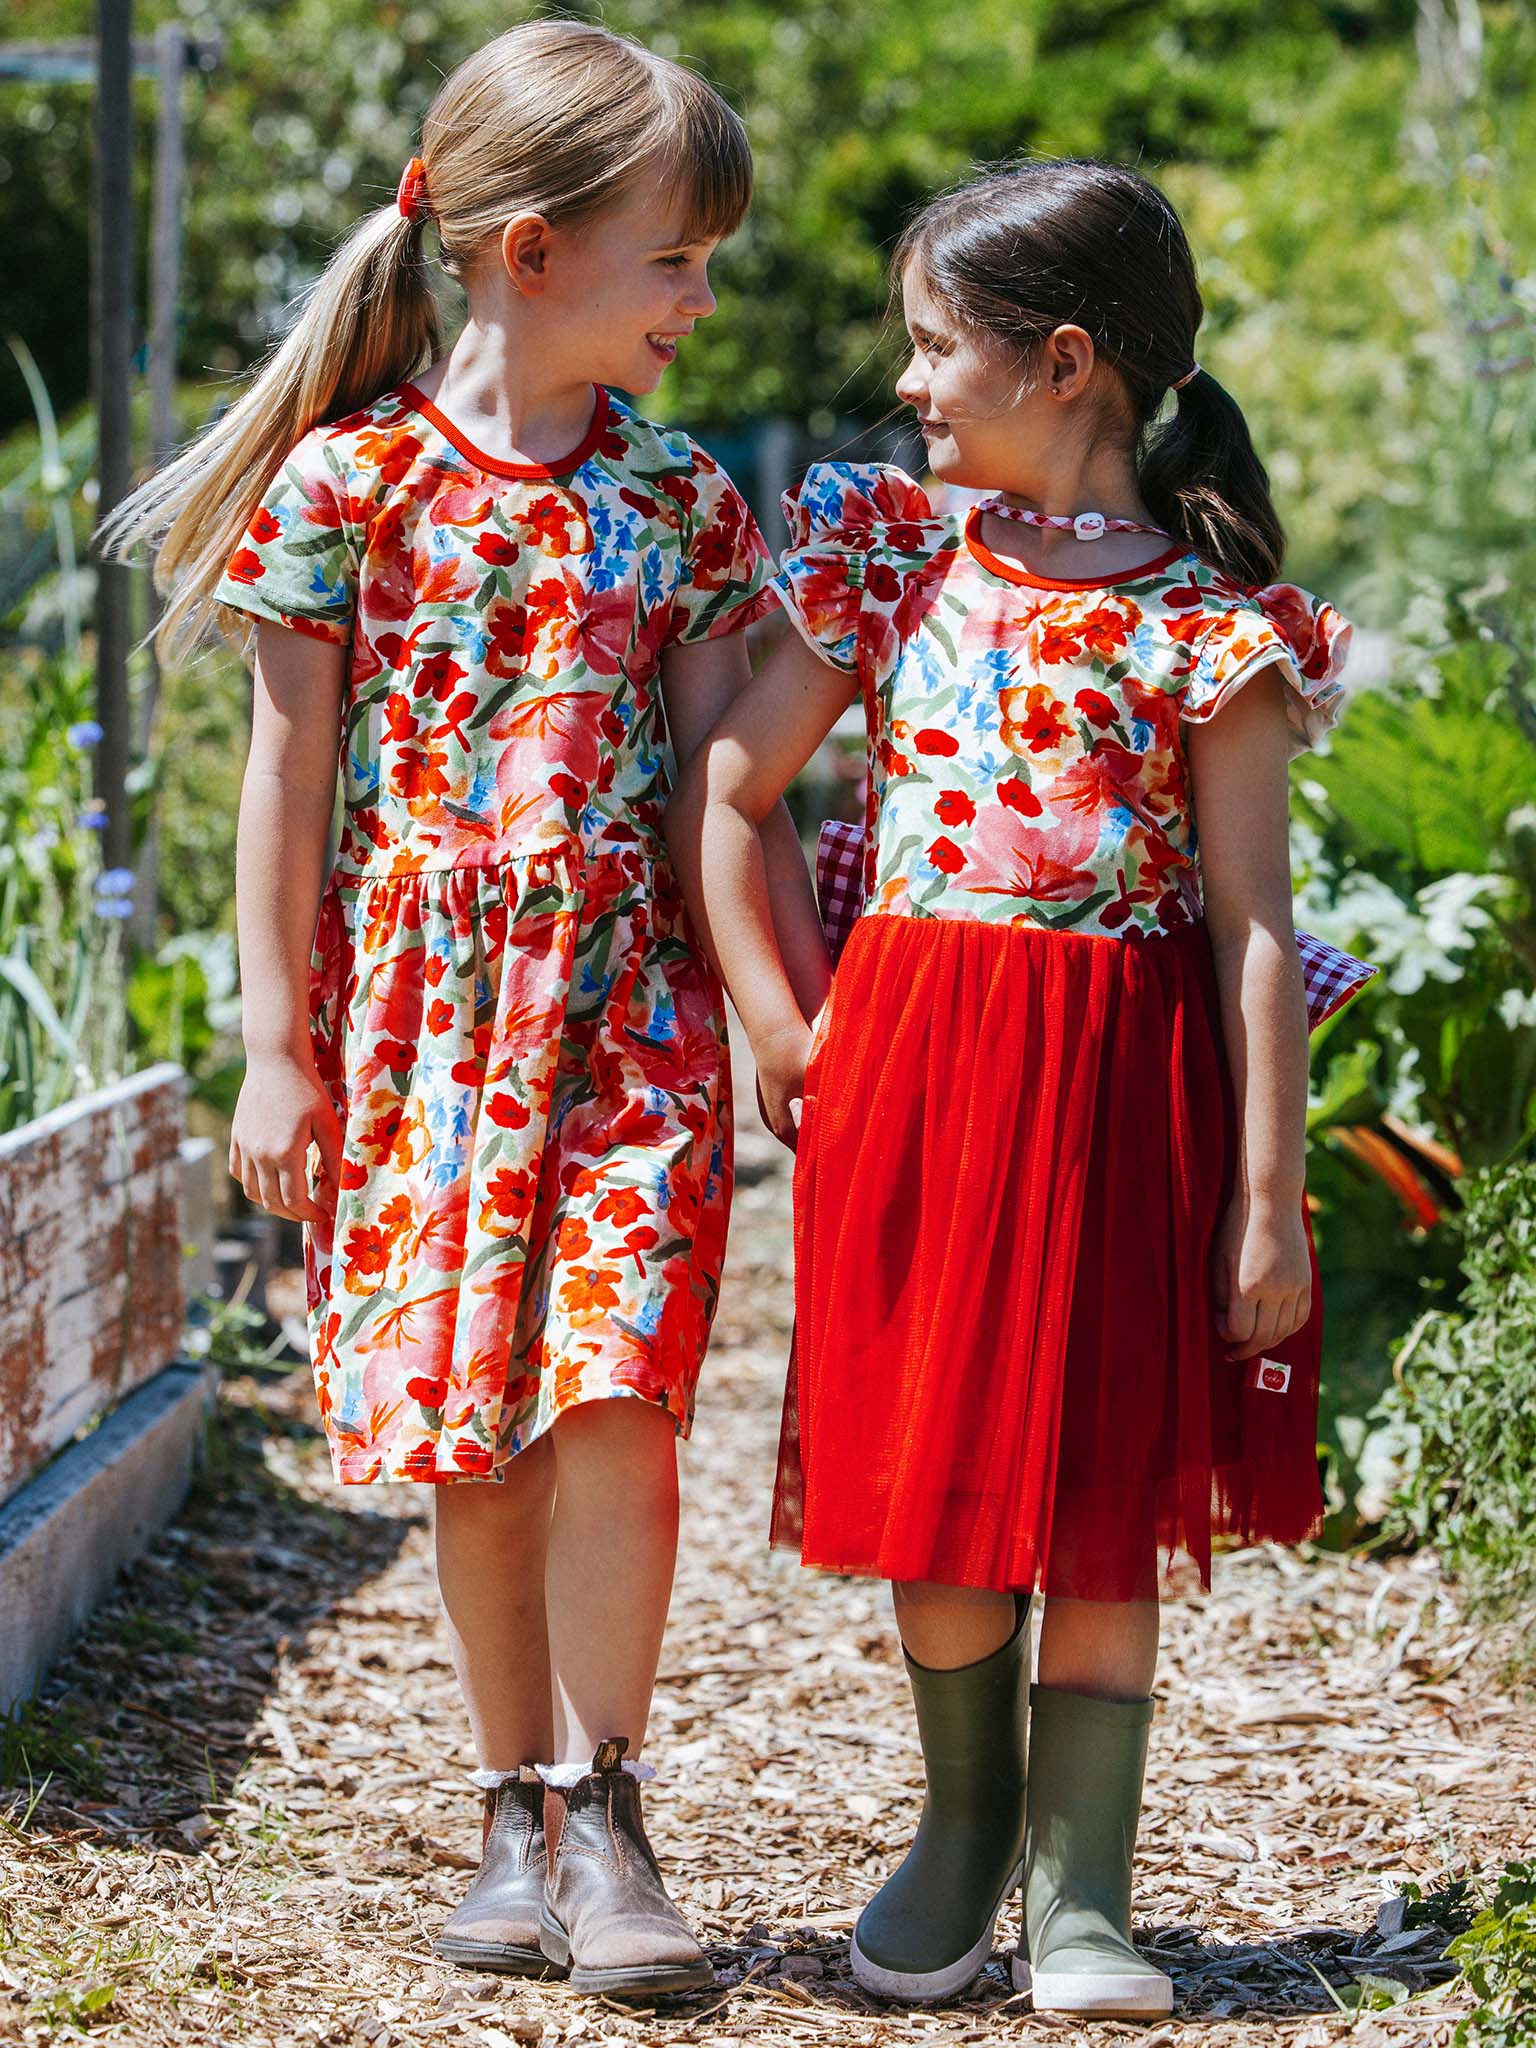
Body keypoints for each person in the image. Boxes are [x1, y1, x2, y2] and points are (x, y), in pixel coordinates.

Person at [102, 19, 825, 2000]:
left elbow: (724, 781)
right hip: (423, 1026)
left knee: (618, 1398)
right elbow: (287, 778)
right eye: (676, 257)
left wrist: (779, 988)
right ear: (533, 249)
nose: (700, 298)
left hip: (627, 1025)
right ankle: (512, 1800)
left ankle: (609, 1804)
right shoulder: (356, 487)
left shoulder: (681, 501)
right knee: (477, 1435)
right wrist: (275, 1039)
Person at [665, 158, 1351, 2018]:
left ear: (1062, 364)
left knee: (1100, 1486)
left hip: (1127, 1094)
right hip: (917, 1067)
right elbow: (733, 795)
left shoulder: (1211, 629)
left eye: (931, 347)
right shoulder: (895, 560)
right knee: (950, 1475)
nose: (906, 384)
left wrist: (1269, 1192)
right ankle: (960, 1835)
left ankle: (1083, 1893)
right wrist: (780, 1025)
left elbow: (1254, 930)